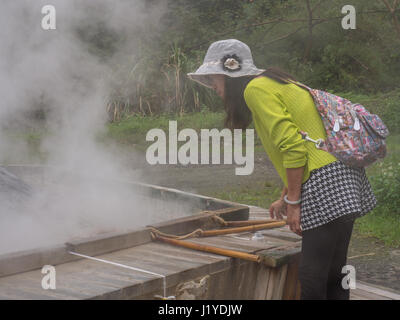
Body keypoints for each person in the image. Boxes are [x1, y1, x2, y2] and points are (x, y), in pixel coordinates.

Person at [187, 39, 377, 300]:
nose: (213, 87)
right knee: (335, 272)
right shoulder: (275, 82)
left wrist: (294, 203)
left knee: (312, 276)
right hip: (343, 175)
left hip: (325, 181)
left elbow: (294, 147)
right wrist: (285, 195)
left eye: (213, 79)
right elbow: (306, 140)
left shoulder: (255, 90)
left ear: (229, 75)